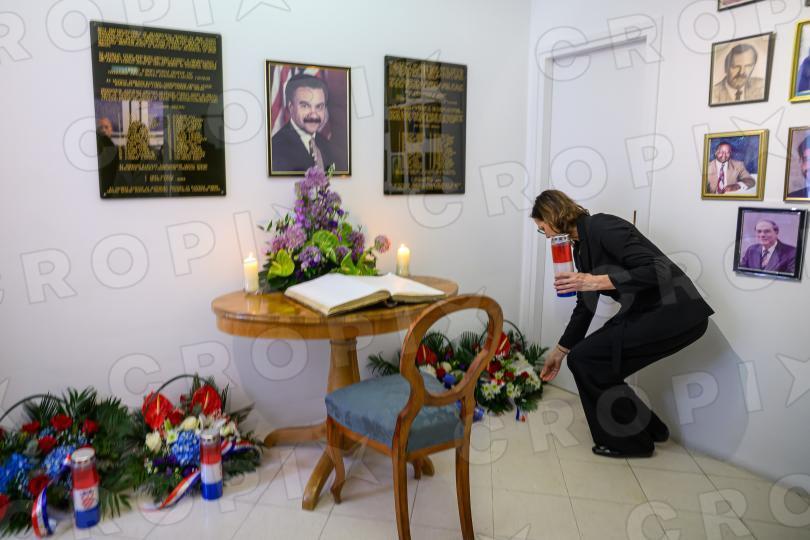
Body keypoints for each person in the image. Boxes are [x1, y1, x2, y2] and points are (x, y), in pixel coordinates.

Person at [533, 190, 714, 458]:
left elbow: (660, 270)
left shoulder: (603, 226)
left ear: (552, 215)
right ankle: (651, 429)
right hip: (649, 311)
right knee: (591, 362)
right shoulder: (580, 248)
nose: (546, 235)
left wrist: (596, 281)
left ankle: (633, 444)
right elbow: (585, 306)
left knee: (586, 360)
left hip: (675, 312)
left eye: (542, 228)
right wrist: (559, 352)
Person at [271, 74, 338, 172]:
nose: (313, 115)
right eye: (305, 106)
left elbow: (330, 176)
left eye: (319, 106)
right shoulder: (275, 149)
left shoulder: (327, 146)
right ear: (291, 107)